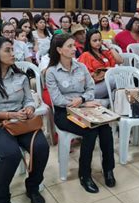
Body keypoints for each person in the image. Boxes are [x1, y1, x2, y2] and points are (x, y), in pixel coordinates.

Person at [0, 38, 49, 203]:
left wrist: (29, 109)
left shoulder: (20, 76)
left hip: (19, 123)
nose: (13, 53)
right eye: (8, 50)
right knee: (11, 154)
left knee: (41, 147)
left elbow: (29, 100)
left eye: (13, 50)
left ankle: (33, 187)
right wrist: (10, 114)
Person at [45, 34, 116, 194]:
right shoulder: (51, 72)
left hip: (85, 107)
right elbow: (57, 99)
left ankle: (108, 169)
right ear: (59, 50)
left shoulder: (80, 67)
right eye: (69, 46)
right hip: (65, 113)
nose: (73, 49)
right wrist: (81, 101)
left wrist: (83, 99)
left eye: (73, 45)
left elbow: (91, 89)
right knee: (90, 131)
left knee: (105, 128)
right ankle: (85, 175)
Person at [78, 30, 123, 99]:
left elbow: (120, 60)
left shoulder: (104, 53)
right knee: (114, 79)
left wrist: (110, 47)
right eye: (95, 40)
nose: (98, 42)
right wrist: (104, 72)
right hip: (92, 88)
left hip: (106, 83)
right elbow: (83, 77)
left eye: (99, 40)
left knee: (122, 78)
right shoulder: (85, 55)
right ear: (89, 41)